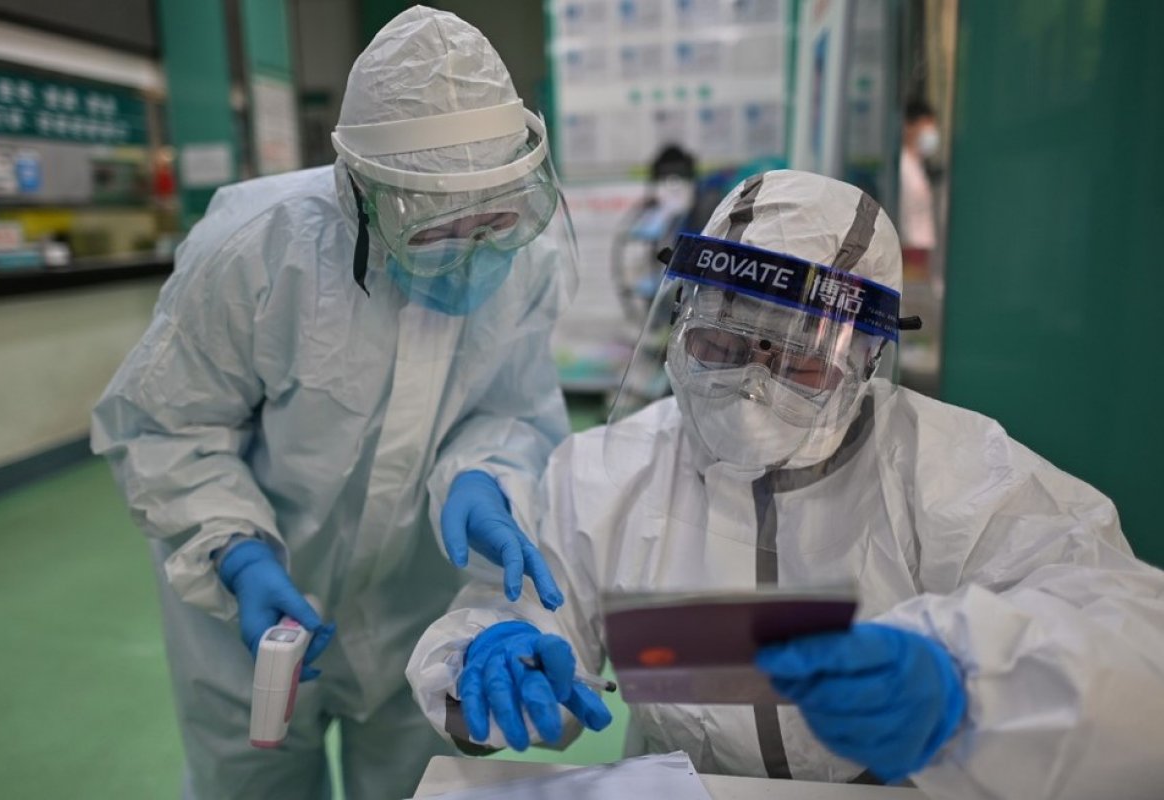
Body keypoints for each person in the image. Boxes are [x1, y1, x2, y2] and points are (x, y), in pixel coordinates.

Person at [407, 170, 1164, 799]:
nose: (748, 384)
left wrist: (970, 680)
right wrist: (491, 660)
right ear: (680, 326)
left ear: (866, 361)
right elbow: (521, 617)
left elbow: (1132, 635)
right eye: (720, 343)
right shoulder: (606, 469)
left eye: (798, 359)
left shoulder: (952, 469)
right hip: (686, 786)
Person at [92, 7, 577, 798]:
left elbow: (515, 407)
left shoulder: (529, 260)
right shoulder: (255, 251)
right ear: (361, 197)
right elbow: (165, 425)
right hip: (255, 607)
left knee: (413, 782)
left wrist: (484, 476)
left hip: (417, 602)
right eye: (437, 230)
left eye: (497, 216)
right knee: (254, 779)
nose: (478, 248)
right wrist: (237, 555)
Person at [900, 98, 939, 250]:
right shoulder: (902, 168)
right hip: (909, 253)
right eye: (926, 125)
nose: (932, 132)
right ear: (909, 127)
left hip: (922, 254)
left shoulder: (918, 166)